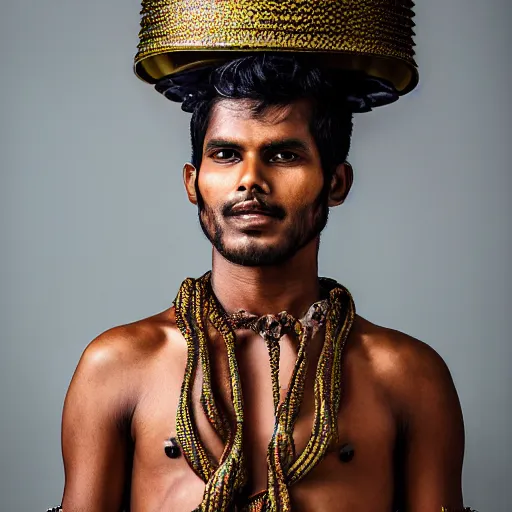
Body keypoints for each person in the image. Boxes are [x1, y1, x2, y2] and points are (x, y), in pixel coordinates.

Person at [57, 53, 473, 512]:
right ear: (194, 182)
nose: (250, 180)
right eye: (226, 154)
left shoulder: (407, 376)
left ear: (335, 183)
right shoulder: (117, 366)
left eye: (283, 155)